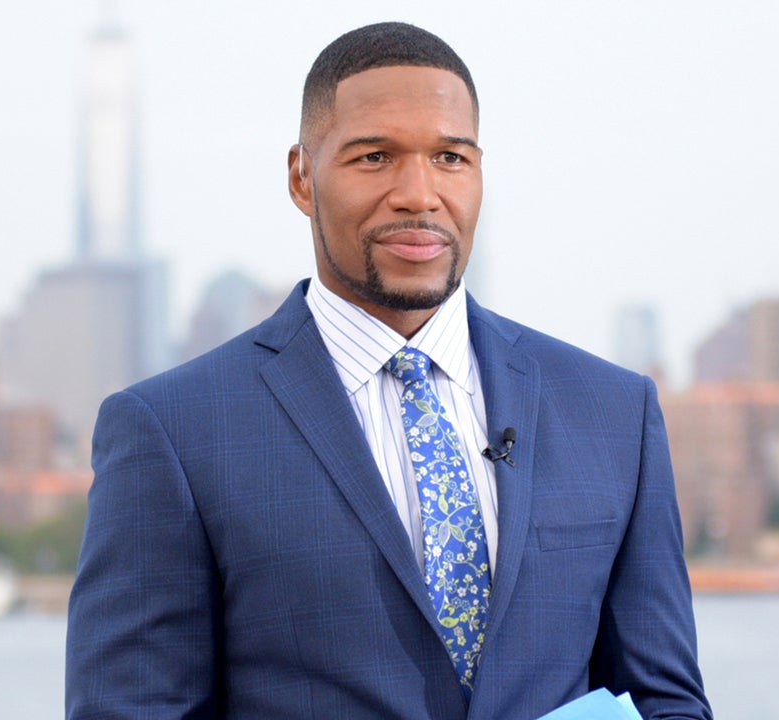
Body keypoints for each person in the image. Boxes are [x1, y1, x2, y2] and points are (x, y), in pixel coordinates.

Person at [66, 21, 712, 720]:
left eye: (450, 158)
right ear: (302, 177)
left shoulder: (614, 413)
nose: (419, 194)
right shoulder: (173, 430)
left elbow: (665, 702)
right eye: (375, 157)